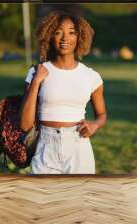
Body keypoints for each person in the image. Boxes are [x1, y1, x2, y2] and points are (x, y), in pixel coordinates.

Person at [20, 11, 107, 174]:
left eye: (71, 32)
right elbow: (25, 125)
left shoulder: (92, 77)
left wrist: (94, 124)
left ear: (79, 37)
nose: (65, 38)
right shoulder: (36, 72)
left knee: (78, 198)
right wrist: (36, 81)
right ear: (49, 36)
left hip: (78, 147)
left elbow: (101, 115)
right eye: (58, 32)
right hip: (45, 148)